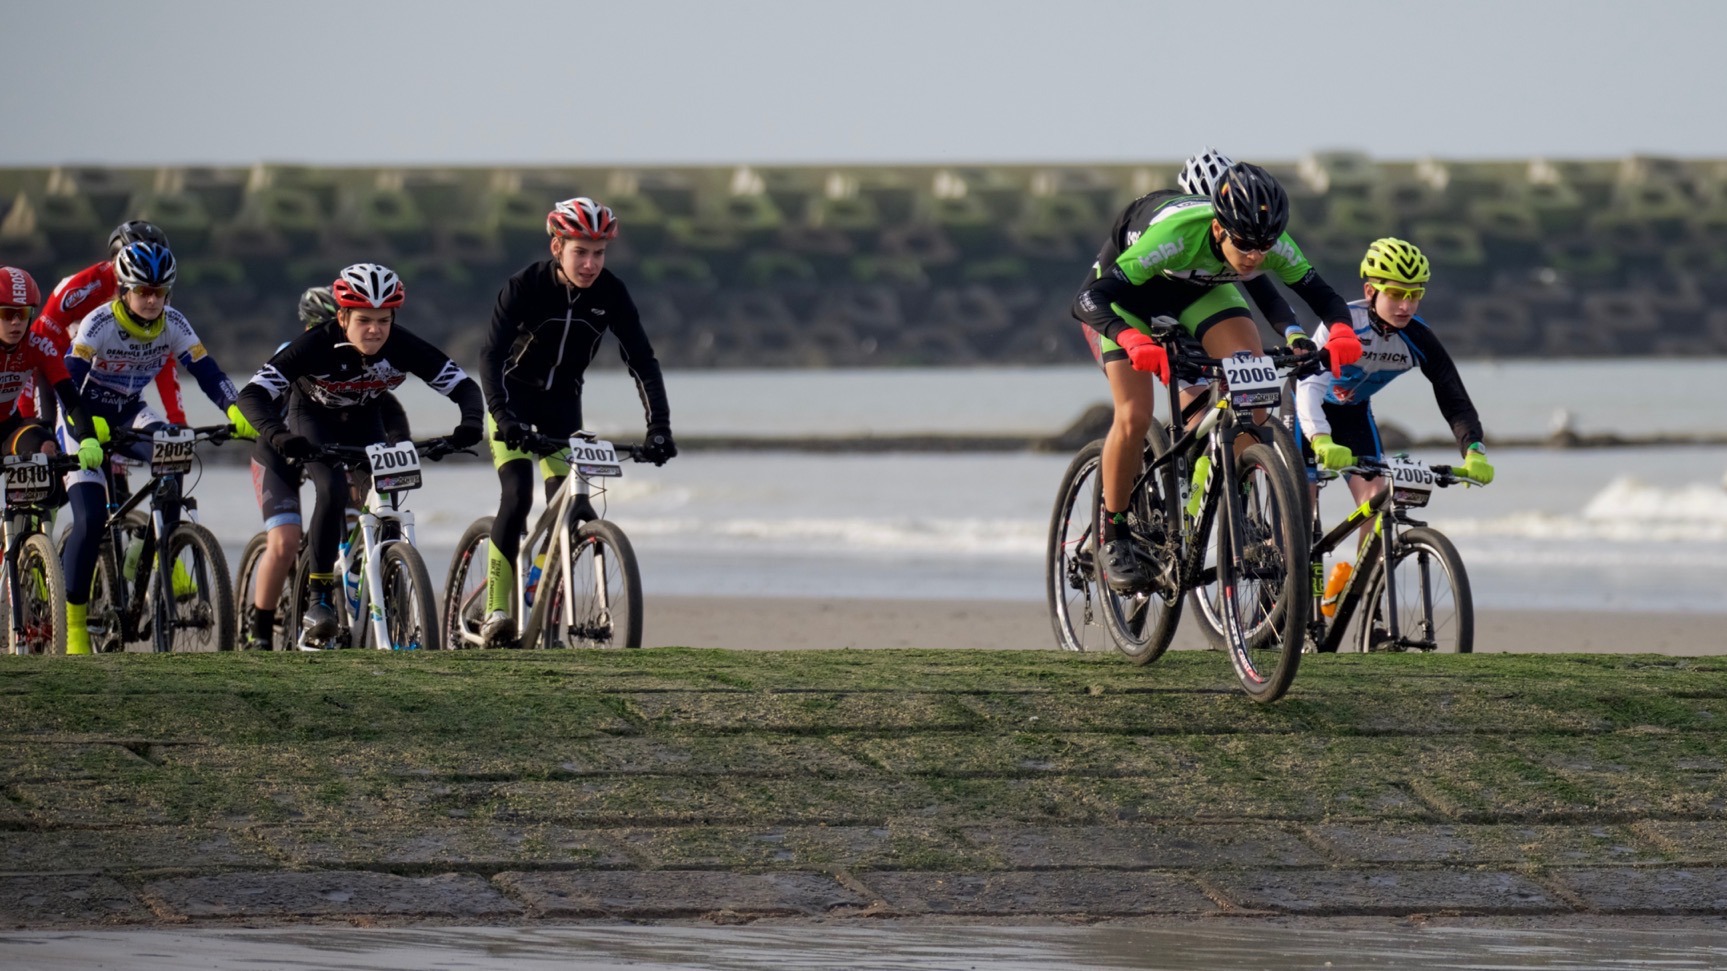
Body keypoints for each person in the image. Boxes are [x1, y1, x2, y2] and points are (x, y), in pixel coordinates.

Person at [1072, 162, 1365, 594]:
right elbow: (1087, 299)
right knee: (1135, 414)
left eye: (1265, 246)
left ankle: (1238, 502)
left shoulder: (1266, 245)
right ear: (1218, 227)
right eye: (1245, 245)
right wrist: (1131, 340)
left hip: (1198, 290)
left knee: (1252, 393)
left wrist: (1339, 330)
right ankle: (1112, 534)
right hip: (1126, 298)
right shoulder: (1175, 235)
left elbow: (1322, 295)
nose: (1255, 257)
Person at [238, 263, 483, 648]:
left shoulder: (401, 344)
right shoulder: (315, 345)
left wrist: (469, 423)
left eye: (384, 320)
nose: (375, 329)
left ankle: (382, 571)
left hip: (364, 423)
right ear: (342, 316)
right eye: (364, 320)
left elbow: (464, 385)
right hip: (310, 423)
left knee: (388, 494)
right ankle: (318, 599)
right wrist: (279, 434)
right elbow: (250, 394)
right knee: (332, 489)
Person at [478, 196, 675, 647]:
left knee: (566, 506)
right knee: (517, 494)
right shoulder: (525, 286)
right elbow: (490, 355)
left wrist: (659, 427)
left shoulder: (611, 293)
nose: (590, 263)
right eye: (580, 251)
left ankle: (542, 589)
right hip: (512, 403)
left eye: (599, 252)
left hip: (563, 410)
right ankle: (496, 610)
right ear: (556, 247)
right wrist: (502, 415)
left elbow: (641, 360)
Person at [60, 242, 257, 655]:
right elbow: (67, 381)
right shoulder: (99, 323)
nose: (152, 300)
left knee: (174, 450)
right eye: (143, 292)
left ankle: (154, 548)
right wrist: (85, 427)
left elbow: (208, 372)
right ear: (123, 290)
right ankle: (75, 623)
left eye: (160, 292)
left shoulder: (174, 322)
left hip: (129, 411)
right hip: (83, 417)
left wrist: (236, 408)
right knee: (92, 516)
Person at [1295, 237, 1495, 511]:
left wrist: (1474, 450)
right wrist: (1320, 438)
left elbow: (1453, 395)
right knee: (1302, 507)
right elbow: (1310, 383)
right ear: (1370, 291)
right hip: (1304, 408)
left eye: (1414, 295)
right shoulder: (1344, 324)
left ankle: (1375, 557)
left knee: (1377, 503)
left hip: (1353, 414)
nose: (1406, 306)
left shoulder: (1419, 338)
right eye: (1396, 294)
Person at [22, 221, 186, 428]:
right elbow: (34, 344)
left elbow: (162, 358)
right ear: (116, 259)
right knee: (46, 437)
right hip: (59, 371)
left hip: (108, 380)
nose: (149, 278)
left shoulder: (152, 295)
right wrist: (28, 415)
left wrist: (178, 419)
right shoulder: (83, 287)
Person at [0, 267, 102, 470]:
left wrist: (88, 439)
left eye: (23, 313)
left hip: (8, 429)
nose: (16, 322)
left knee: (48, 450)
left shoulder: (38, 345)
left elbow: (71, 398)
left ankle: (24, 502)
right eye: (7, 313)